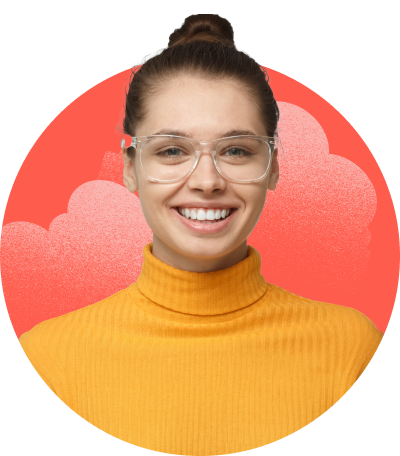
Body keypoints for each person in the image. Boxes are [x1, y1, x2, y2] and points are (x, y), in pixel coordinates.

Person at [18, 14, 383, 454]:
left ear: (273, 168)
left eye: (236, 150)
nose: (207, 180)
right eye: (172, 150)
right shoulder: (47, 360)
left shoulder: (351, 350)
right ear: (131, 168)